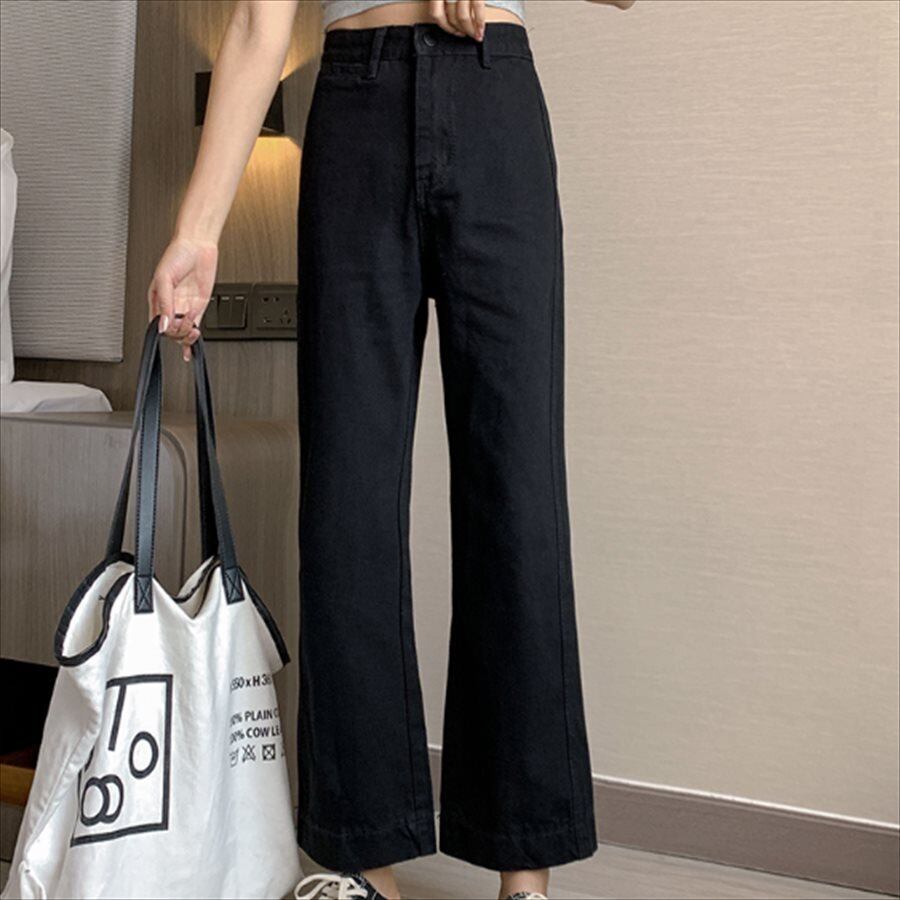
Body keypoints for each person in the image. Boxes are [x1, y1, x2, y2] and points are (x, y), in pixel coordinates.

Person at [148, 1, 636, 898]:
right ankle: (359, 862)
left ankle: (524, 871)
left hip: (494, 100)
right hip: (356, 109)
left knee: (518, 493)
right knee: (347, 500)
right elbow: (258, 24)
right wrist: (197, 230)